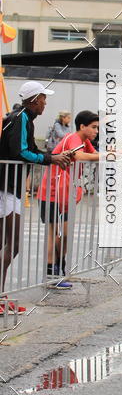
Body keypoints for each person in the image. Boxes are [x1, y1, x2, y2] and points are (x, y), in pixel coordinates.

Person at [0, 81, 72, 313]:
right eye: (43, 98)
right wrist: (52, 159)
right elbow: (21, 151)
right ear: (33, 100)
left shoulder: (23, 118)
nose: (45, 102)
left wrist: (52, 156)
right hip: (6, 187)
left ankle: (1, 296)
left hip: (11, 187)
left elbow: (29, 149)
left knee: (7, 244)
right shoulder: (20, 117)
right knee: (13, 243)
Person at [37, 111, 100, 289]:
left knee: (64, 234)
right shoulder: (73, 138)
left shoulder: (84, 141)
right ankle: (51, 274)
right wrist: (108, 156)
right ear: (82, 127)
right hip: (52, 191)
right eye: (94, 127)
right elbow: (81, 157)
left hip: (63, 193)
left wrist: (112, 153)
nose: (96, 131)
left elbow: (93, 154)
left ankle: (59, 270)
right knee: (55, 234)